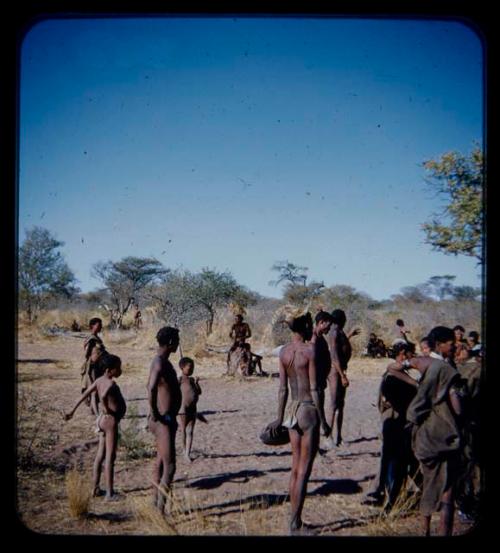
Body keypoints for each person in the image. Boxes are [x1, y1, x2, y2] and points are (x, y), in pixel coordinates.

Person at [268, 312, 331, 534]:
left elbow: (283, 388)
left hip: (291, 411)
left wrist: (278, 417)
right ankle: (296, 523)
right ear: (306, 326)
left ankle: (293, 519)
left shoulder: (284, 351)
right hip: (308, 411)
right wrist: (324, 421)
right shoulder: (310, 350)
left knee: (295, 468)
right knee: (304, 470)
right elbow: (315, 388)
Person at [406, 326, 467, 536]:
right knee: (448, 490)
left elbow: (396, 368)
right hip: (444, 435)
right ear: (440, 344)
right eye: (451, 343)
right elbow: (458, 408)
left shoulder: (425, 363)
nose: (455, 346)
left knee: (430, 483)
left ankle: (424, 529)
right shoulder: (445, 369)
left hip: (425, 434)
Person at [364, 342, 419, 511]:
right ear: (403, 353)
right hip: (396, 421)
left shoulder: (394, 374)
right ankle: (389, 497)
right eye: (410, 354)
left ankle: (384, 493)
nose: (412, 358)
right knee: (395, 462)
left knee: (394, 460)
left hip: (392, 421)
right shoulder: (394, 374)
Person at [65, 353, 126, 501]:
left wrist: (72, 411)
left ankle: (95, 488)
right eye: (118, 368)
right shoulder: (111, 384)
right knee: (110, 458)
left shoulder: (99, 380)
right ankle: (110, 494)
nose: (120, 370)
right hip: (110, 421)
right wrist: (106, 407)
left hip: (101, 421)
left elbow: (85, 393)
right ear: (109, 370)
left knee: (100, 456)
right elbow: (104, 396)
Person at [147, 326, 182, 513]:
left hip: (166, 419)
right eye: (176, 340)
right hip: (163, 422)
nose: (178, 344)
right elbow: (151, 388)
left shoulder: (162, 362)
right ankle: (160, 510)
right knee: (170, 466)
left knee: (160, 462)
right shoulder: (160, 363)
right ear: (170, 343)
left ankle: (155, 503)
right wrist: (155, 413)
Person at [325, 309, 360, 448]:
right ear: (340, 319)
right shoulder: (334, 332)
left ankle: (339, 436)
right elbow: (334, 356)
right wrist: (342, 375)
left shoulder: (339, 331)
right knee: (334, 404)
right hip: (335, 371)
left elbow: (342, 346)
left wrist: (350, 335)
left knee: (341, 404)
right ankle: (328, 436)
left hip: (341, 370)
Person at [177, 357, 202, 462]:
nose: (191, 370)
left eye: (193, 367)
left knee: (190, 431)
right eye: (189, 367)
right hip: (183, 409)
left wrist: (197, 383)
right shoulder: (180, 380)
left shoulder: (192, 380)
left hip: (193, 408)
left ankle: (188, 452)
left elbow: (199, 392)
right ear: (182, 368)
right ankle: (183, 450)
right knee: (183, 430)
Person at [81, 317, 106, 416]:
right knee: (94, 391)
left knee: (96, 390)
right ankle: (96, 414)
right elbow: (87, 353)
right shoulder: (91, 339)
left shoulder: (97, 338)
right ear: (92, 326)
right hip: (92, 368)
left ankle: (93, 411)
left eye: (101, 325)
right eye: (98, 325)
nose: (100, 327)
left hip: (98, 367)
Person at [310, 311, 334, 414]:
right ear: (321, 322)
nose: (329, 329)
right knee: (317, 411)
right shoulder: (313, 340)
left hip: (321, 381)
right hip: (316, 383)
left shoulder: (321, 338)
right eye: (328, 326)